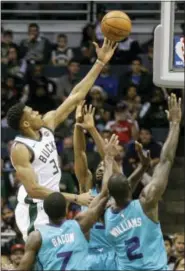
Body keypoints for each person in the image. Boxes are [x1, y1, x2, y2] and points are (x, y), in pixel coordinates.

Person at [7, 38, 118, 241]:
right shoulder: (20, 149)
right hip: (35, 207)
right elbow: (34, 190)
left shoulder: (48, 124)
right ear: (25, 124)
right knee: (41, 256)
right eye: (32, 113)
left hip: (54, 201)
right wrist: (77, 198)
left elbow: (76, 96)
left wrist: (100, 63)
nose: (37, 112)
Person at [103, 94, 181, 270]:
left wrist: (110, 159)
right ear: (131, 188)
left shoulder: (107, 213)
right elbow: (166, 160)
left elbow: (114, 189)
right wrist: (175, 124)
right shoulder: (146, 202)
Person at [73, 103, 150, 270]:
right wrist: (79, 128)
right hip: (89, 254)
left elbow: (108, 159)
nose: (102, 166)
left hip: (114, 255)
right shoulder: (87, 191)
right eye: (99, 166)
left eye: (104, 166)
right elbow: (79, 153)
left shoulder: (117, 194)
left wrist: (94, 131)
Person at [17, 191, 109, 271]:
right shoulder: (80, 225)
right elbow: (100, 204)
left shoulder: (36, 237)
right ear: (66, 210)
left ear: (45, 211)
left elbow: (23, 269)